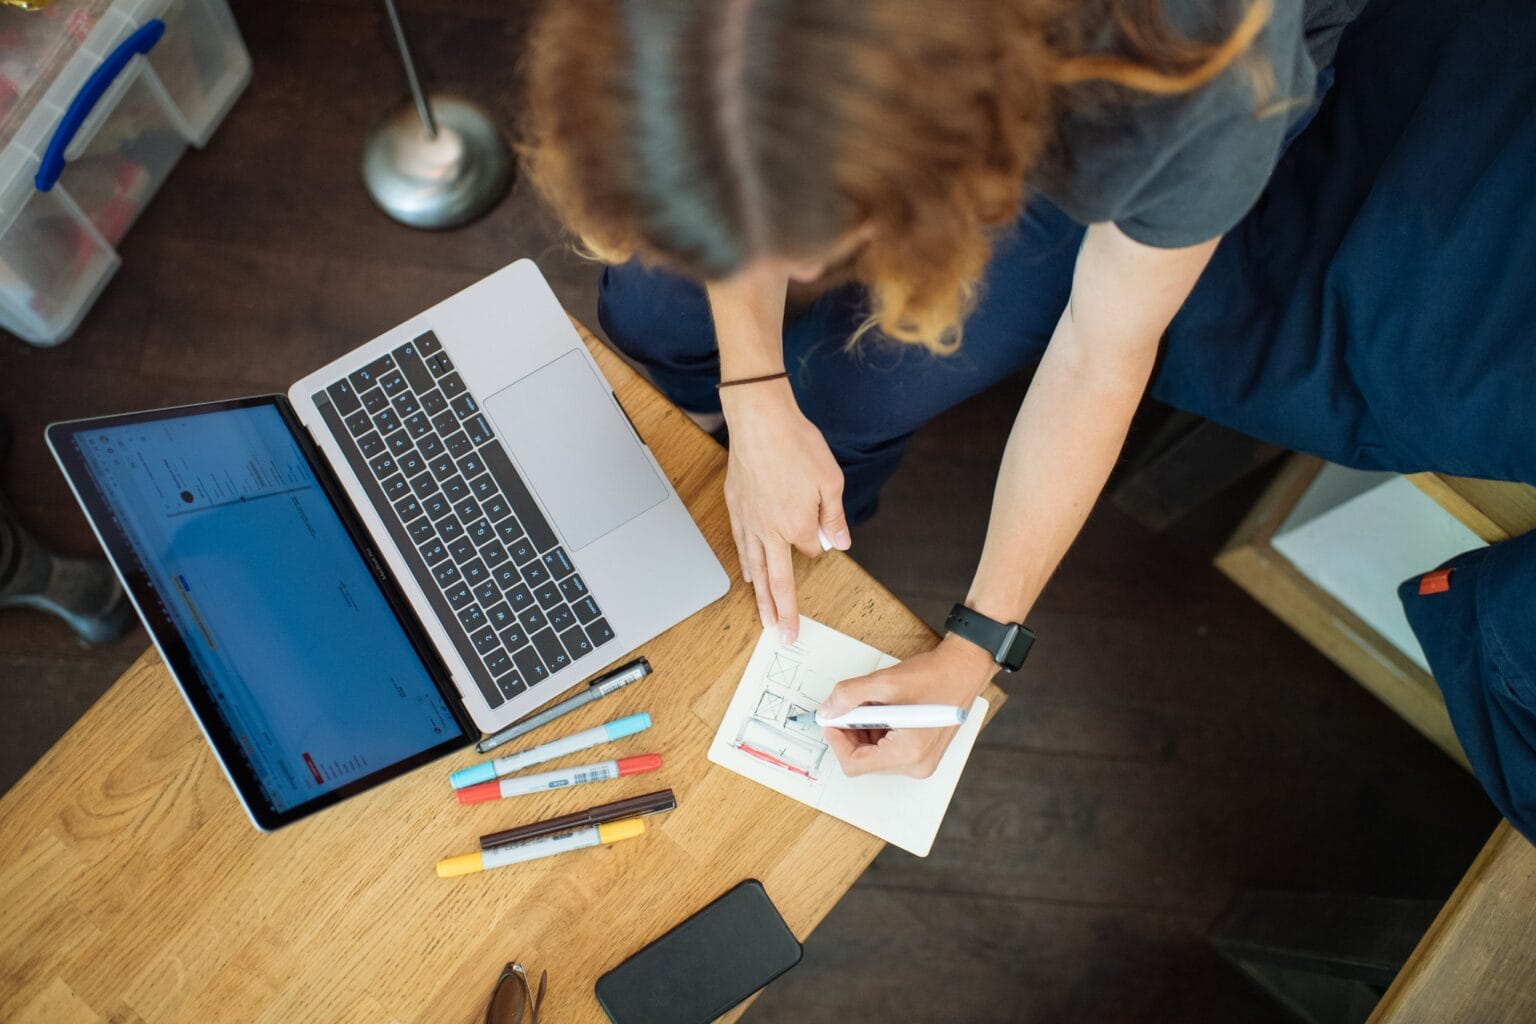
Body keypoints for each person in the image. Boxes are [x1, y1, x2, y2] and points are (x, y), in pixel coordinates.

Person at [523, 0, 1367, 778]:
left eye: (811, 241)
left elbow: (1100, 354)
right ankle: (710, 427)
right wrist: (751, 389)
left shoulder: (1194, 90)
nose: (801, 271)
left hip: (1131, 98)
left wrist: (976, 647)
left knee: (854, 393)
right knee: (652, 307)